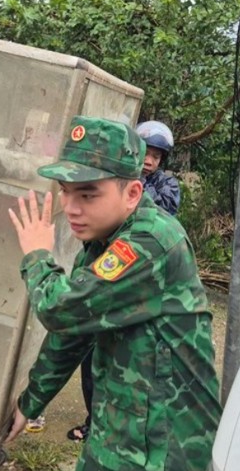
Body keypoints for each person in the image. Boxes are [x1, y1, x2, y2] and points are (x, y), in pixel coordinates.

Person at [5, 116, 222, 471]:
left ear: (133, 193)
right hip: (119, 427)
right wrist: (31, 402)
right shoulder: (102, 244)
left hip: (165, 448)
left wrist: (37, 256)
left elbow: (61, 309)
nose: (71, 207)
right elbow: (73, 332)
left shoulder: (152, 242)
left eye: (88, 194)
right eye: (65, 190)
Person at [62, 119, 184, 445]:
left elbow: (158, 215)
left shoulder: (163, 189)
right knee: (91, 361)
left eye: (157, 156)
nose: (150, 161)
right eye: (147, 153)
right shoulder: (113, 180)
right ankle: (94, 422)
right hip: (107, 280)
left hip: (138, 285)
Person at [136, 120, 181, 216]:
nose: (148, 162)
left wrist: (140, 180)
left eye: (156, 157)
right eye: (144, 153)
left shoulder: (168, 183)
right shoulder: (122, 173)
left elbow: (164, 211)